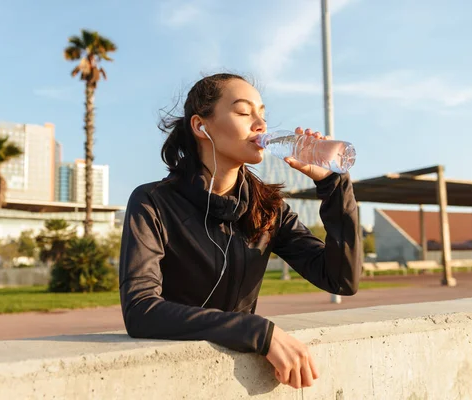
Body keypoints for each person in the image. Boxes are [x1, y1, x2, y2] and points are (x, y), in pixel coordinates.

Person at [119, 73, 360, 389]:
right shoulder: (153, 202)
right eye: (244, 112)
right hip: (168, 382)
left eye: (262, 113)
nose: (260, 124)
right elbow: (141, 311)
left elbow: (341, 279)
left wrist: (332, 184)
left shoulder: (269, 209)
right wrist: (257, 331)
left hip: (240, 384)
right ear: (200, 126)